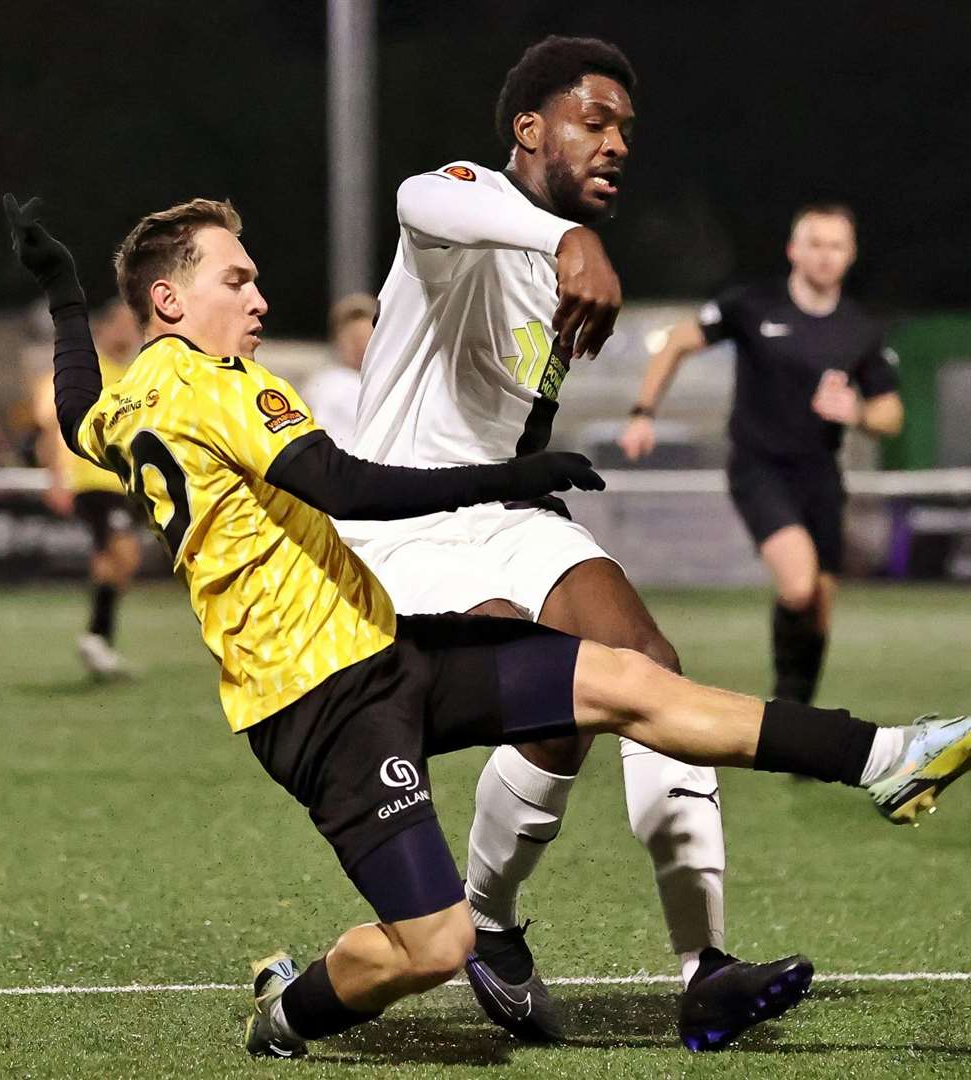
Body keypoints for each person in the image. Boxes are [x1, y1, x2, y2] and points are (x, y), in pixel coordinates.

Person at [5, 192, 971, 1062]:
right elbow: (343, 485)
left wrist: (57, 286)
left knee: (628, 684)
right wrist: (510, 477)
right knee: (435, 946)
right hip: (317, 714)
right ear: (172, 300)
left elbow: (74, 395)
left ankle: (890, 757)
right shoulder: (216, 387)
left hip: (390, 653)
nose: (261, 297)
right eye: (238, 280)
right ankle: (291, 1007)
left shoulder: (132, 400)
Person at [340, 35, 804, 1050]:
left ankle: (705, 970)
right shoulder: (469, 217)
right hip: (399, 529)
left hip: (501, 517)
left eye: (626, 128)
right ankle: (487, 926)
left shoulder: (569, 270)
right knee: (547, 697)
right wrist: (560, 241)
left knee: (646, 670)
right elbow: (429, 193)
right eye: (593, 120)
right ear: (528, 128)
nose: (615, 142)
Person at [620, 204, 904, 706]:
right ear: (793, 250)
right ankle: (788, 715)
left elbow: (891, 415)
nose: (825, 255)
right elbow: (675, 345)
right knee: (798, 585)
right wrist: (643, 412)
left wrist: (857, 410)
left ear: (850, 254)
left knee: (819, 606)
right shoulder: (753, 305)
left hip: (820, 474)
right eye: (814, 243)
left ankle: (796, 712)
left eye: (836, 245)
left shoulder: (860, 329)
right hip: (758, 468)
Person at [33, 297, 145, 676]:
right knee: (125, 553)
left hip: (121, 484)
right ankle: (98, 637)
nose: (130, 331)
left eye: (135, 324)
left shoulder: (133, 377)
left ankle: (98, 643)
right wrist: (55, 479)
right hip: (92, 482)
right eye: (123, 323)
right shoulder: (88, 369)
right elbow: (50, 425)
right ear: (104, 329)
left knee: (107, 562)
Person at [301, 293, 375, 450]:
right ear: (338, 339)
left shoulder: (388, 386)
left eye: (365, 338)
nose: (360, 346)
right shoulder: (321, 383)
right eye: (353, 338)